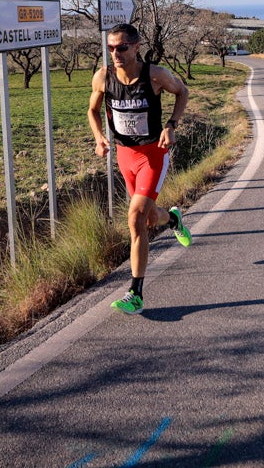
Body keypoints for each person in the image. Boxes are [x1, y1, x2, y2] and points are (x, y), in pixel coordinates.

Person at [88, 23, 192, 315]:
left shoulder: (155, 75)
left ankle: (135, 293)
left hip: (152, 155)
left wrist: (171, 126)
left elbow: (182, 92)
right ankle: (172, 220)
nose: (115, 53)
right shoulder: (103, 77)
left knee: (135, 219)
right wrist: (98, 137)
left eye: (121, 47)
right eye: (110, 48)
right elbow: (92, 110)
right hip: (125, 156)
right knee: (147, 220)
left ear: (136, 47)